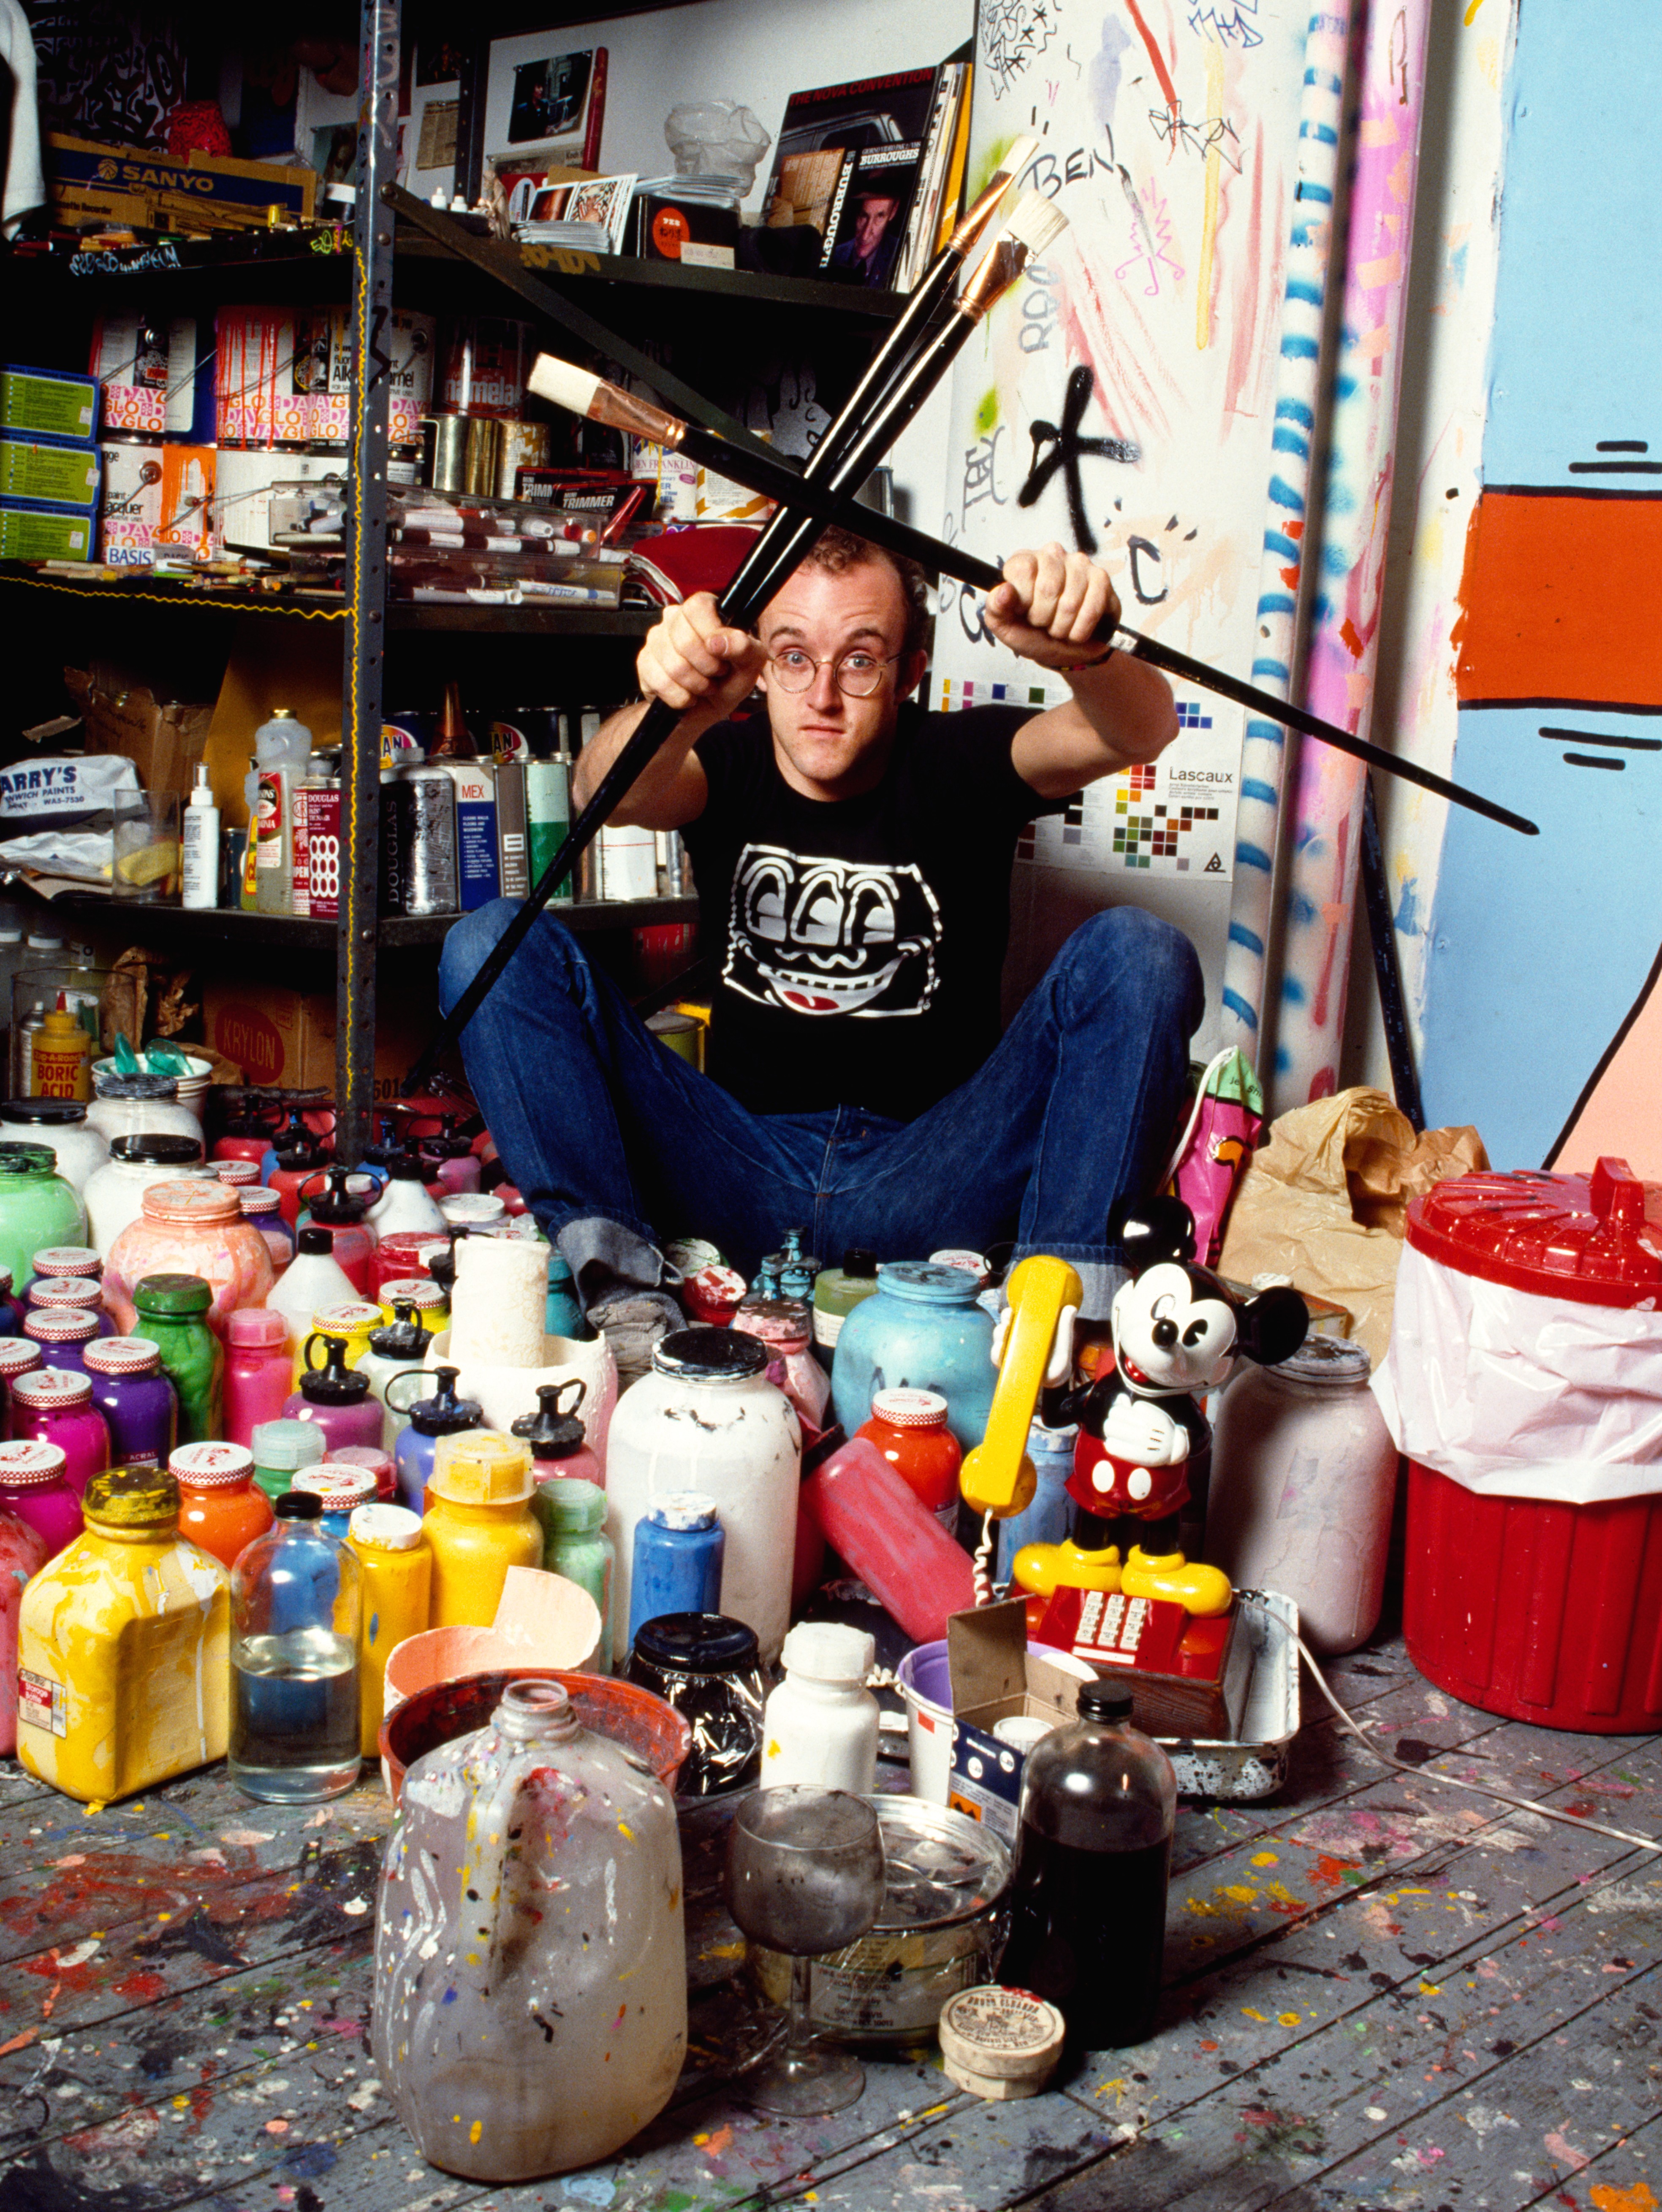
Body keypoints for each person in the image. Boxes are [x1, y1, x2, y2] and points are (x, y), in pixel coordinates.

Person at [440, 529, 1203, 1335]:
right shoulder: (724, 758)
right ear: (763, 667)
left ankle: (1058, 1327)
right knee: (492, 943)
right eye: (795, 657)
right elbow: (605, 790)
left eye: (860, 659)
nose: (823, 696)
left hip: (933, 1176)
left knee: (1139, 951)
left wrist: (1084, 655)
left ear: (910, 672)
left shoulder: (963, 757)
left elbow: (1140, 731)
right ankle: (628, 1303)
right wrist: (674, 707)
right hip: (736, 1169)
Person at [829, 190, 903, 287]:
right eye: (864, 216)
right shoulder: (835, 255)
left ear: (894, 211)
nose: (865, 236)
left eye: (879, 217)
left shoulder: (901, 259)